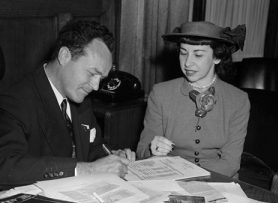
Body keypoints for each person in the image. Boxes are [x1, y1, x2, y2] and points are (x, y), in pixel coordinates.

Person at [0, 19, 135, 188]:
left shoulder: (80, 98)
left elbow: (92, 150)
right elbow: (6, 167)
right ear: (64, 56)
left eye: (101, 78)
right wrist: (89, 170)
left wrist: (112, 157)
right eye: (93, 74)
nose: (95, 86)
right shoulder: (14, 101)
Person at [137, 21, 250, 177]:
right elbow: (142, 149)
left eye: (198, 54)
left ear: (217, 57)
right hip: (168, 178)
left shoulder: (238, 100)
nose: (188, 63)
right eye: (183, 53)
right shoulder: (160, 93)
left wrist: (192, 180)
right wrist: (152, 149)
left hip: (218, 180)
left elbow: (230, 163)